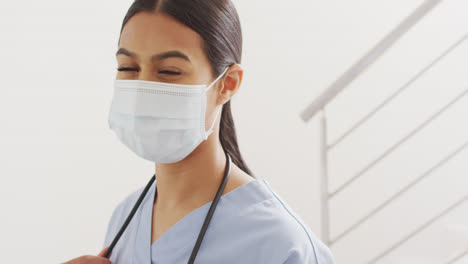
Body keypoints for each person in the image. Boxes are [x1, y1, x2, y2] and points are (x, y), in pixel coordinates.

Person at [62, 0, 336, 263]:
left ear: (227, 83)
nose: (141, 91)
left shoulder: (281, 246)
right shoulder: (125, 218)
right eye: (128, 68)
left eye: (169, 71)